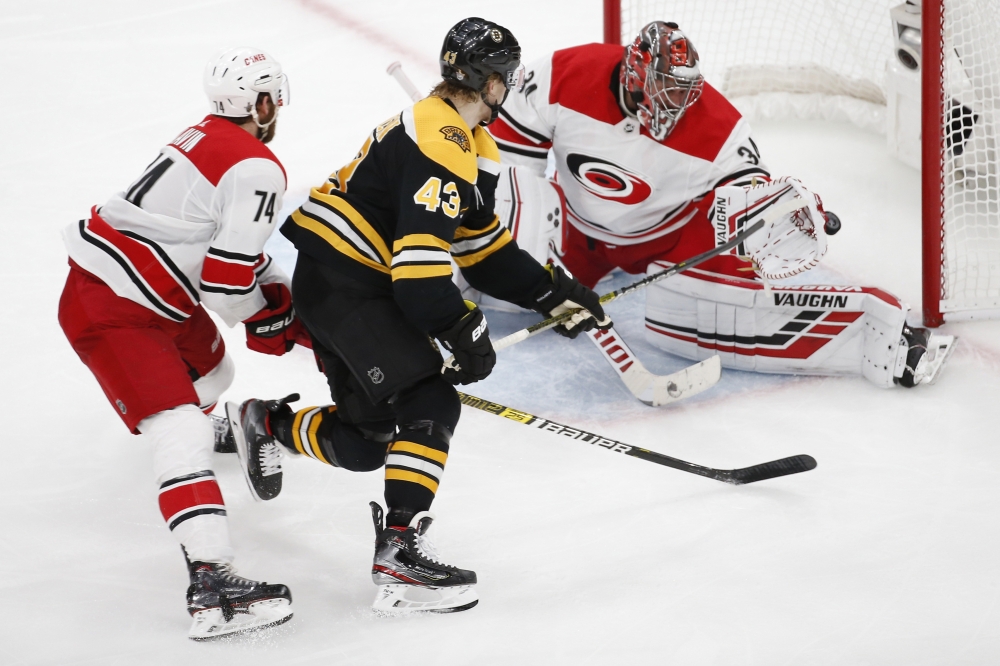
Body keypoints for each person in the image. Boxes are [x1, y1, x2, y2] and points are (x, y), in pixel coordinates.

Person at [226, 17, 610, 614]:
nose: (508, 89)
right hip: (348, 284)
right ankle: (399, 556)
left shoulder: (463, 141)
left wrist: (550, 292)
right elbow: (418, 273)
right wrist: (462, 329)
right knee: (429, 402)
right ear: (484, 81)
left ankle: (264, 423)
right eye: (504, 78)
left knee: (365, 441)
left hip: (341, 280)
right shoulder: (442, 141)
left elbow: (481, 253)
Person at [487, 21, 955, 390]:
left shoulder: (719, 125)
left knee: (710, 313)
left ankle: (882, 340)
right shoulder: (563, 73)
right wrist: (529, 253)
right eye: (664, 97)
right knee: (498, 273)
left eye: (683, 97)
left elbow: (749, 198)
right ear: (634, 76)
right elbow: (507, 161)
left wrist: (779, 212)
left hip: (668, 239)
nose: (675, 111)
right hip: (574, 227)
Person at [58, 47, 301, 640]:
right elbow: (222, 286)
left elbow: (204, 232)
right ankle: (212, 585)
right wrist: (263, 315)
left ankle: (223, 427)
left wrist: (266, 286)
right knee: (179, 431)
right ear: (264, 102)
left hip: (150, 288)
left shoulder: (204, 132)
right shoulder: (258, 166)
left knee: (215, 378)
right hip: (112, 306)